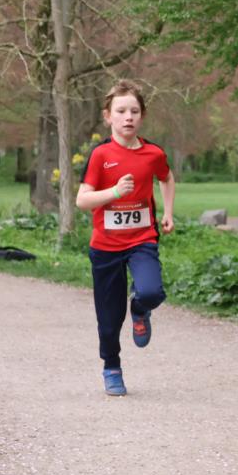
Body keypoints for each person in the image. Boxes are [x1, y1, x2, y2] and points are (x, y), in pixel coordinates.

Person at [76, 79, 176, 396]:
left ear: (141, 116)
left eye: (134, 111)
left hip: (141, 238)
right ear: (108, 116)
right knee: (108, 317)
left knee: (151, 290)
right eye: (121, 111)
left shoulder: (153, 153)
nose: (128, 117)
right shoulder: (100, 155)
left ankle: (141, 308)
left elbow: (167, 177)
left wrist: (169, 212)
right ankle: (112, 367)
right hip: (105, 246)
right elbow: (82, 200)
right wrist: (115, 192)